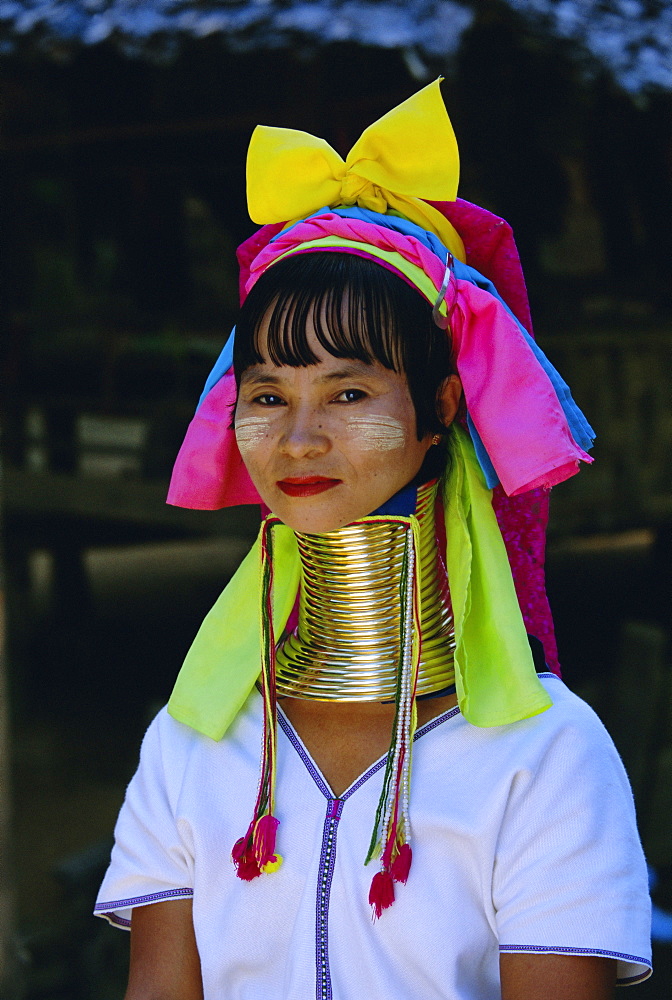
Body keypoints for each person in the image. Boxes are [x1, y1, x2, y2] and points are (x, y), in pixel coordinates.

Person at [94, 81, 652, 999]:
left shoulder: (545, 754)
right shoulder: (193, 743)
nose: (298, 438)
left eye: (349, 394)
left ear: (440, 408)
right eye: (267, 395)